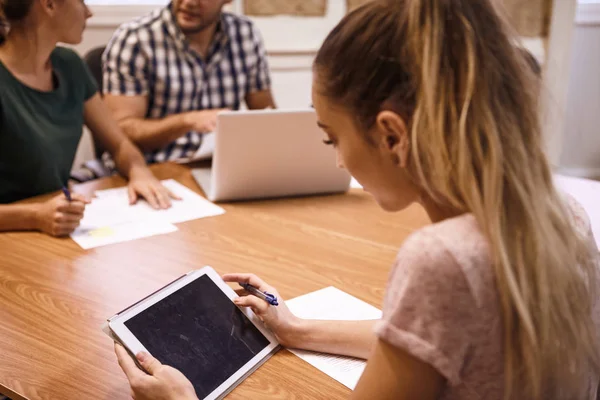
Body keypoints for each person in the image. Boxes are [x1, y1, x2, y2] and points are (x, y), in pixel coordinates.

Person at [115, 0, 600, 399]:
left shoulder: (441, 259)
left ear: (391, 135)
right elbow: (426, 340)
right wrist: (297, 329)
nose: (340, 162)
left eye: (331, 138)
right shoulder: (564, 215)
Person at [0, 0, 177, 237]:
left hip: (55, 226)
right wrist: (34, 216)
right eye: (81, 1)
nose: (89, 12)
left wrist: (138, 170)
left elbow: (119, 144)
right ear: (50, 4)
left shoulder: (70, 65)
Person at [102, 0, 276, 164]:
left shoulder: (245, 33)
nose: (189, 2)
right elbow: (120, 131)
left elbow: (266, 116)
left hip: (221, 166)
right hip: (153, 167)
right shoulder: (135, 38)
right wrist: (187, 121)